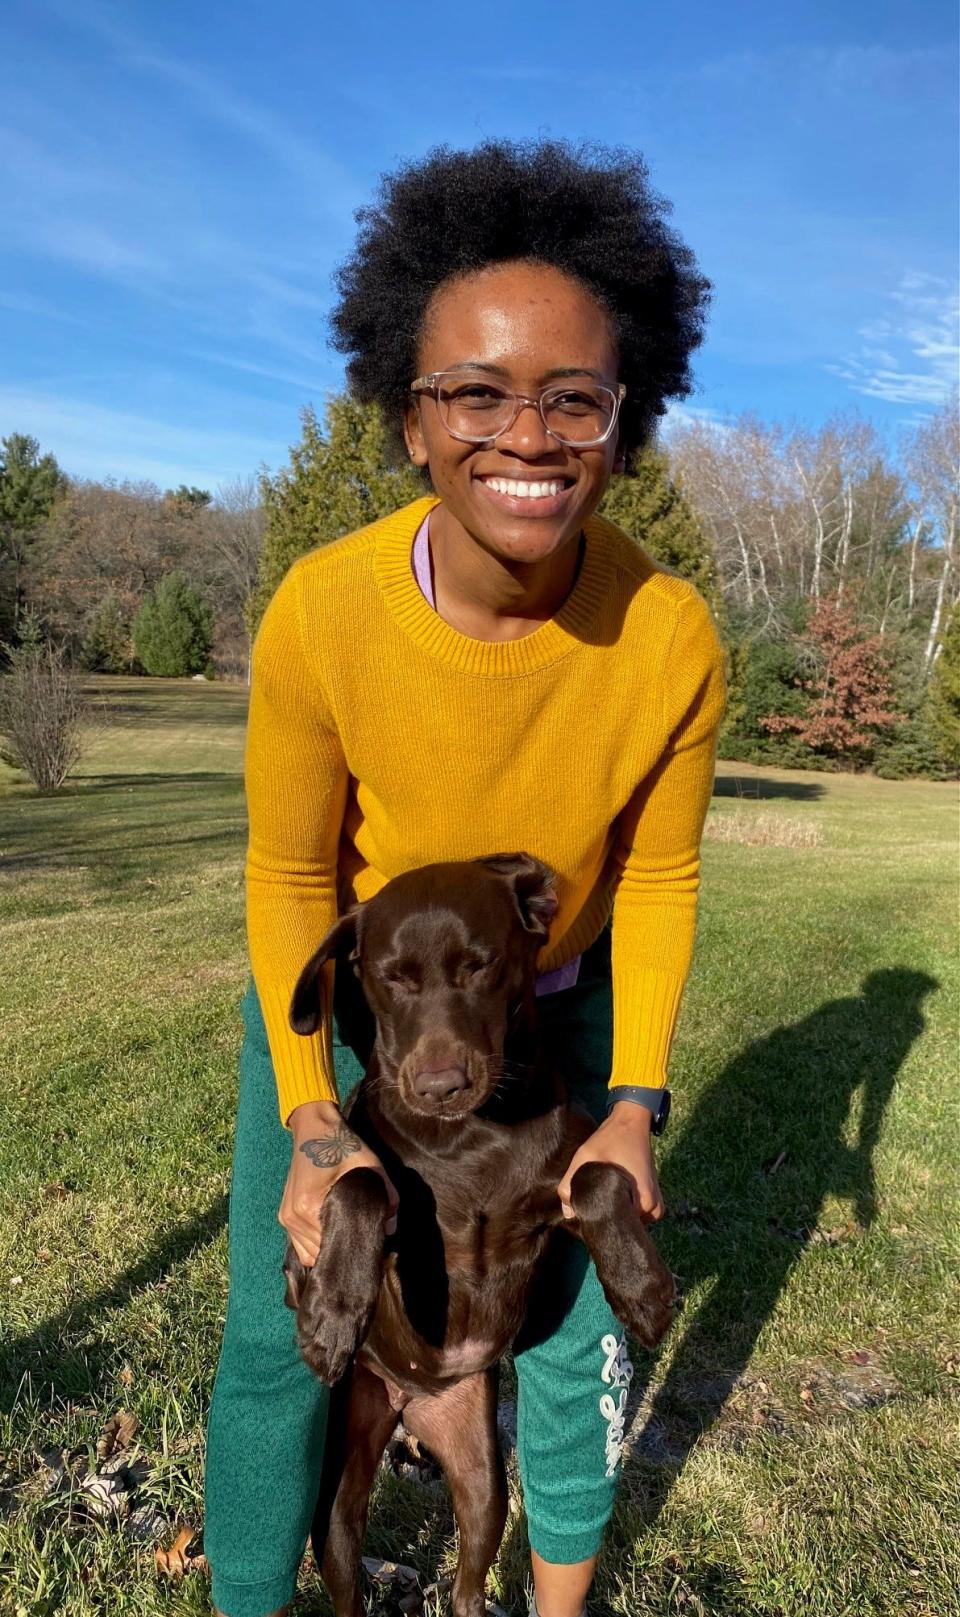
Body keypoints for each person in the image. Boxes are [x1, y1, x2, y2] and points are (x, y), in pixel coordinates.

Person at [204, 138, 725, 1617]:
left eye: (577, 396)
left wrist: (634, 1099)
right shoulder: (325, 615)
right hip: (353, 991)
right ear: (408, 417)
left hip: (553, 991)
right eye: (476, 392)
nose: (530, 434)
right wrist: (312, 1113)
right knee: (280, 1322)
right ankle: (252, 1595)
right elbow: (292, 868)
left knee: (567, 1335)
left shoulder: (667, 631)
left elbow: (667, 870)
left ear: (624, 418)